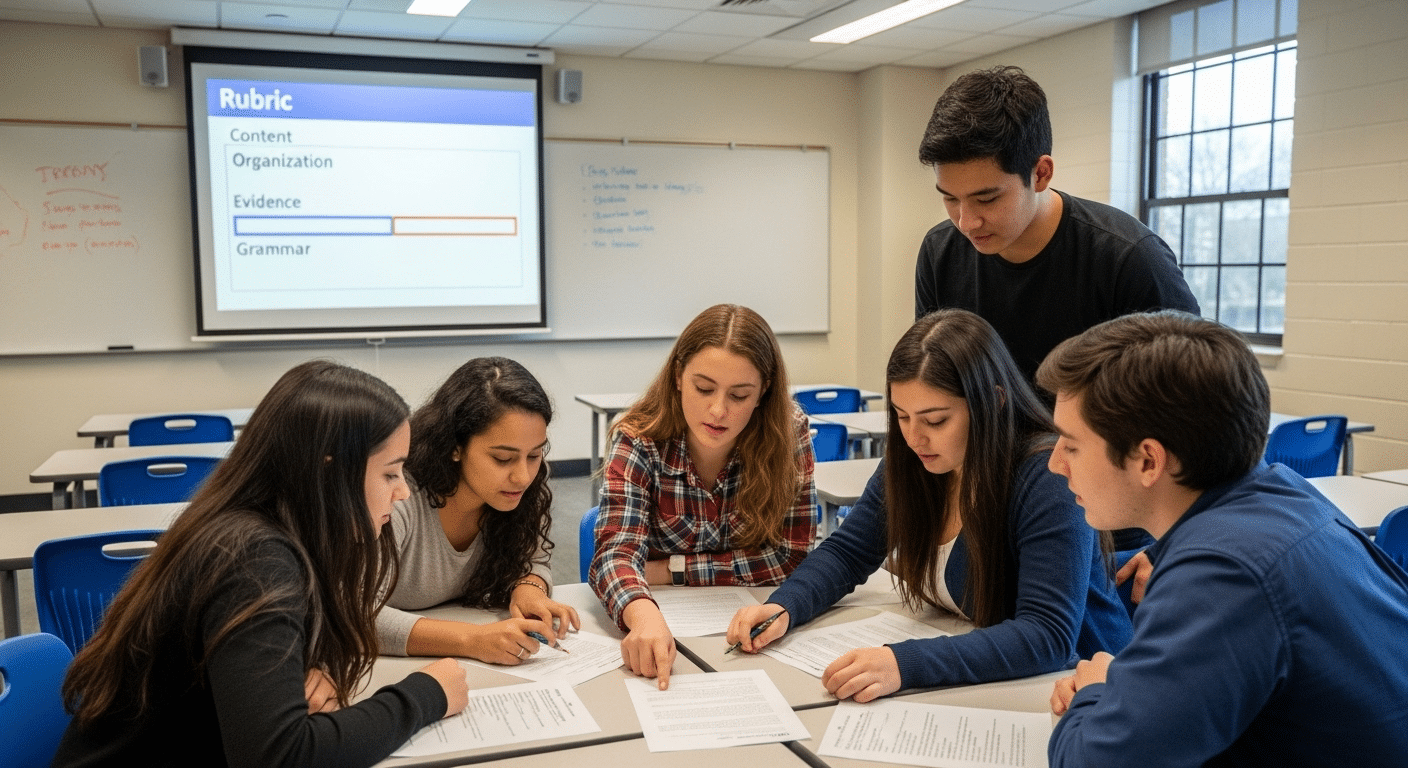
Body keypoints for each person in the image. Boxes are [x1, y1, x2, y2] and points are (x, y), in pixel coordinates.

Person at [53, 361, 469, 767]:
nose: (401, 494)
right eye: (391, 474)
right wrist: (424, 695)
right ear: (330, 471)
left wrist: (300, 676)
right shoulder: (255, 561)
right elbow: (279, 756)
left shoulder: (266, 531)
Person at [1041, 311, 1408, 766]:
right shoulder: (1285, 493)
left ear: (1149, 461)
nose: (1056, 464)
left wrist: (1097, 692)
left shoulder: (1222, 573)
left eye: (1071, 445)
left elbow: (1093, 762)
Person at [727, 309, 1131, 703]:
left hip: (1081, 692)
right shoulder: (914, 463)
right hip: (988, 680)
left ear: (993, 401)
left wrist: (903, 664)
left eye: (935, 421)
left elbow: (1046, 635)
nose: (914, 438)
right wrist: (785, 605)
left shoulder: (1045, 477)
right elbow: (849, 551)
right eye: (901, 417)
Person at [914, 64, 1199, 384]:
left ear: (1040, 174)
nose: (966, 222)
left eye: (987, 199)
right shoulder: (939, 253)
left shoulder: (1130, 260)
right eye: (950, 198)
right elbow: (937, 383)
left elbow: (1187, 398)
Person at [590, 303, 817, 689]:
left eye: (740, 395)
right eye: (703, 388)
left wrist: (671, 571)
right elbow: (615, 556)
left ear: (763, 392)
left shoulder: (787, 434)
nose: (718, 410)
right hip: (665, 625)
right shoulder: (639, 437)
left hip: (749, 632)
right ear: (678, 376)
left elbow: (792, 556)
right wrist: (643, 613)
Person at [377, 356, 581, 662]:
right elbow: (350, 616)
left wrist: (529, 588)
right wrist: (470, 640)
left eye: (535, 455)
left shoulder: (524, 484)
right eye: (502, 458)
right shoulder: (399, 496)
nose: (523, 476)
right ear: (455, 447)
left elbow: (534, 559)